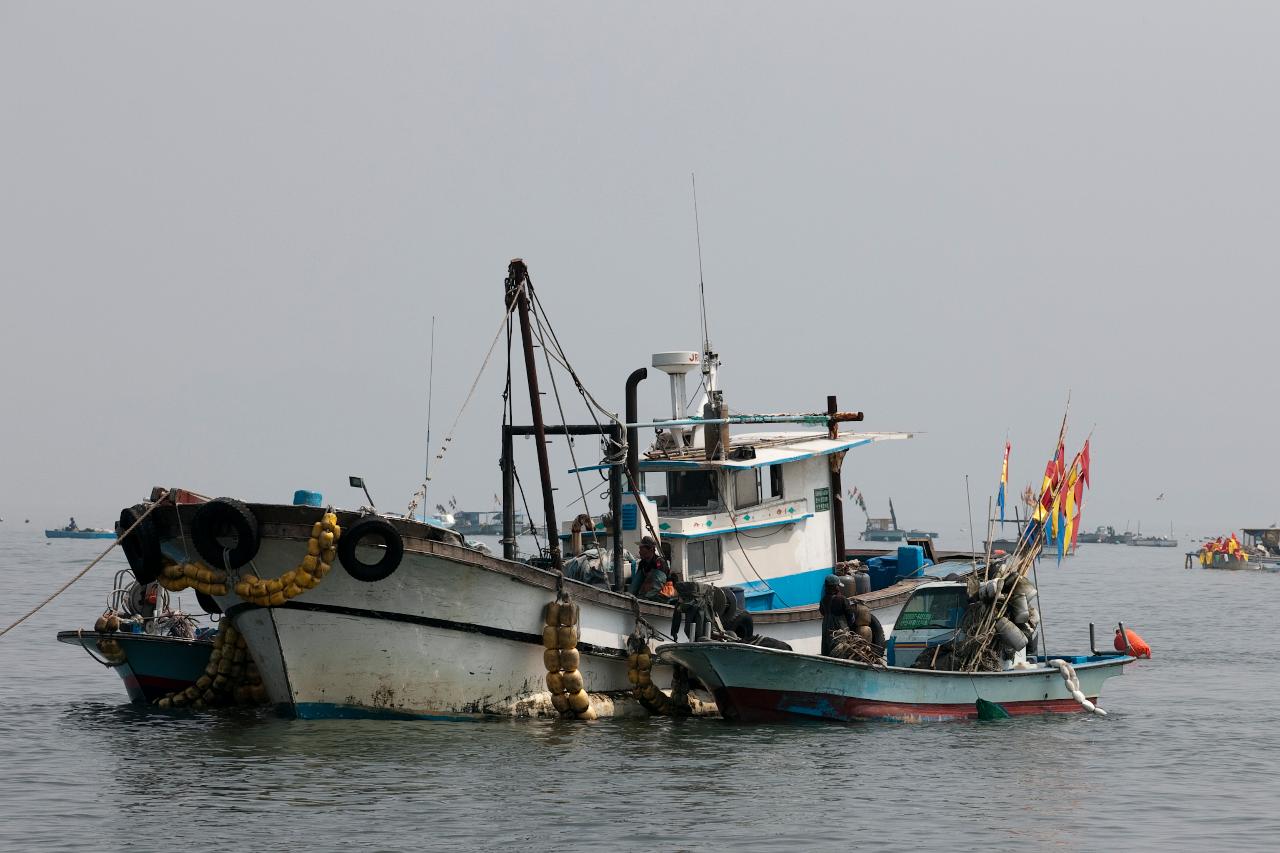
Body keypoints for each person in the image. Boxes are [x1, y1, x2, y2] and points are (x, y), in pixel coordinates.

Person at [818, 574, 857, 656]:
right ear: (835, 587)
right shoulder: (842, 599)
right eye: (838, 586)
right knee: (841, 647)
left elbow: (822, 612)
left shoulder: (823, 600)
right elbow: (850, 615)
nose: (839, 588)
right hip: (839, 627)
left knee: (827, 645)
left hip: (826, 626)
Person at [628, 535, 672, 601]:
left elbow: (657, 585)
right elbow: (636, 582)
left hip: (661, 597)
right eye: (639, 549)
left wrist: (644, 598)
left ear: (651, 549)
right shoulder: (642, 563)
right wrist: (630, 595)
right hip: (646, 595)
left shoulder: (659, 563)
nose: (639, 552)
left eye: (642, 549)